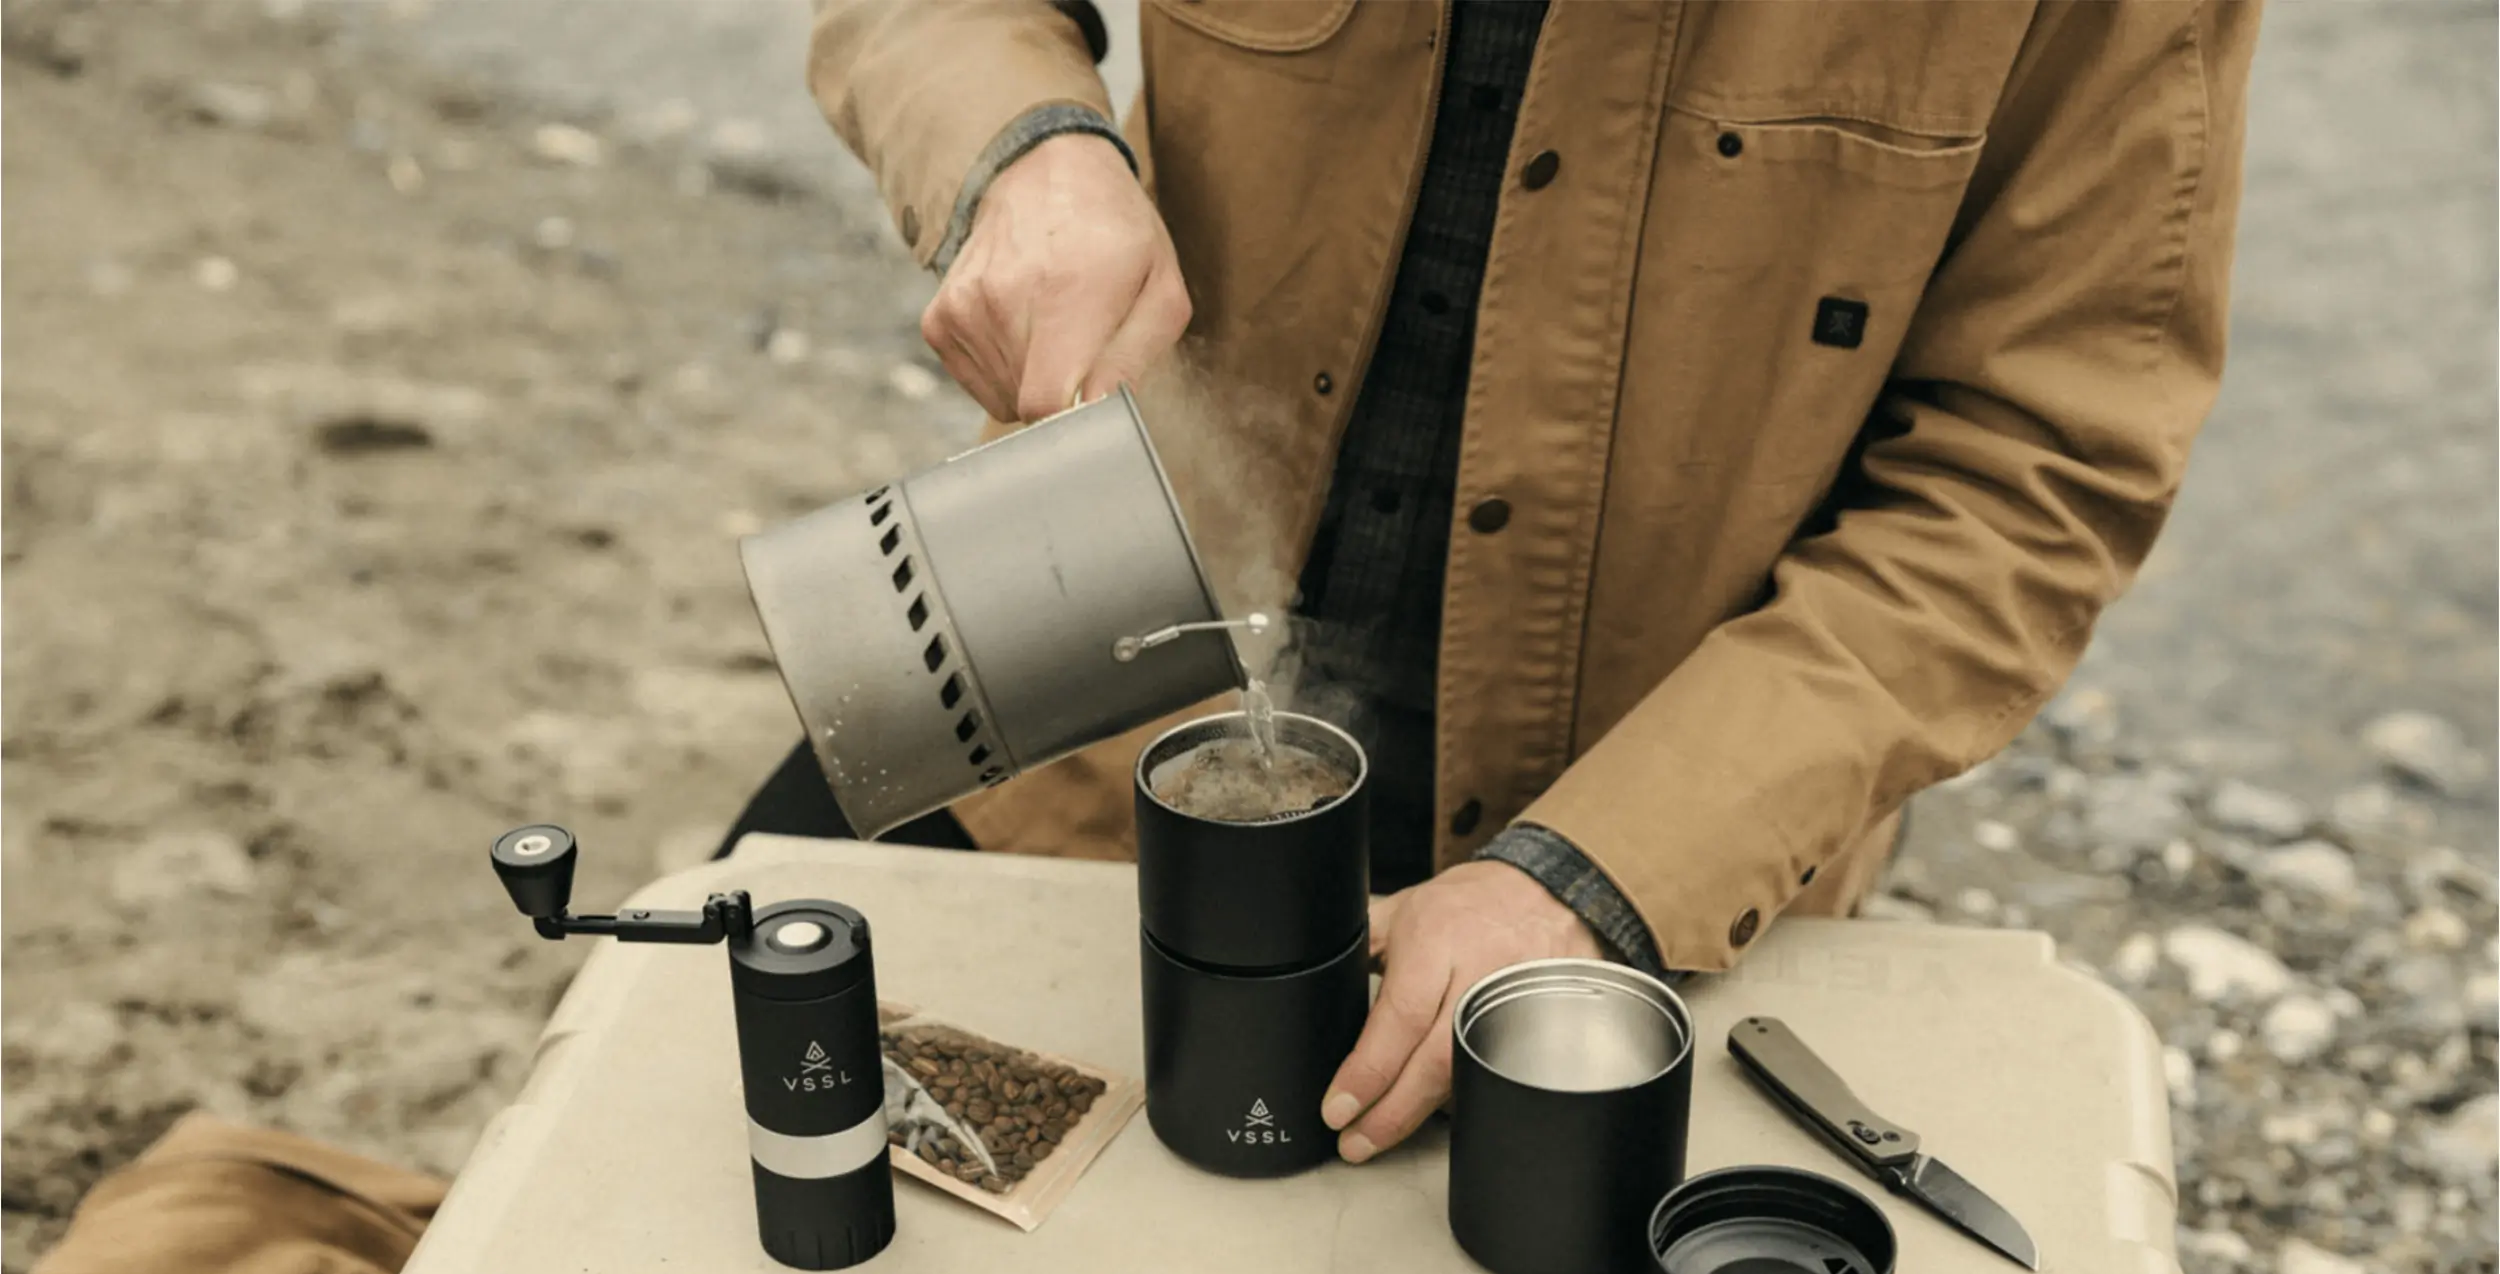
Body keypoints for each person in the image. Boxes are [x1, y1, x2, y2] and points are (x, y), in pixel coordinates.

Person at [732, 0, 2258, 1165]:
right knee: (679, 1111)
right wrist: (1025, 149)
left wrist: (1603, 875)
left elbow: (2031, 469)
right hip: (1075, 703)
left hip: (1633, 851)